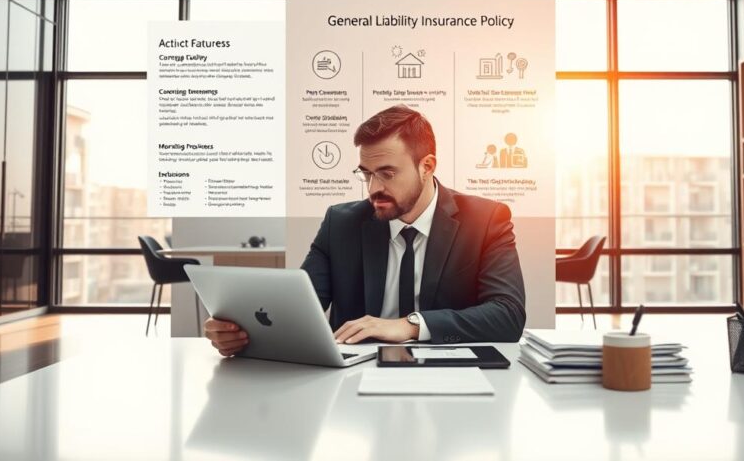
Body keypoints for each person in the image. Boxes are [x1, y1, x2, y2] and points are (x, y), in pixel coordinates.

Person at [204, 105, 527, 356]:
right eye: (366, 173)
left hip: (454, 377)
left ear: (427, 166)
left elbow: (508, 316)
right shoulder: (341, 223)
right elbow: (300, 310)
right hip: (353, 380)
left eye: (387, 173)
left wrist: (410, 326)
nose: (374, 188)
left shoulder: (485, 220)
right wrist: (242, 332)